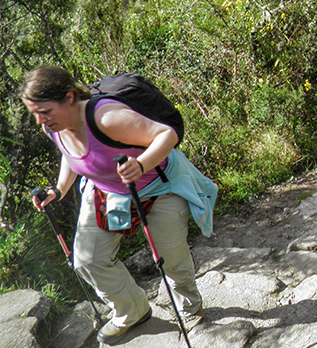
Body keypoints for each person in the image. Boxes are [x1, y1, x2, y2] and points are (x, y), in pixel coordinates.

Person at [21, 65, 215, 345]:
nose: (40, 120)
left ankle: (190, 308)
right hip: (107, 190)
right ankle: (132, 311)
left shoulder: (107, 118)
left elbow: (167, 134)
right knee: (88, 260)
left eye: (46, 111)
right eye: (35, 113)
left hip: (158, 186)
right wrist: (59, 190)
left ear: (69, 97)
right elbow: (70, 152)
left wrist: (141, 164)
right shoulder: (55, 125)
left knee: (171, 258)